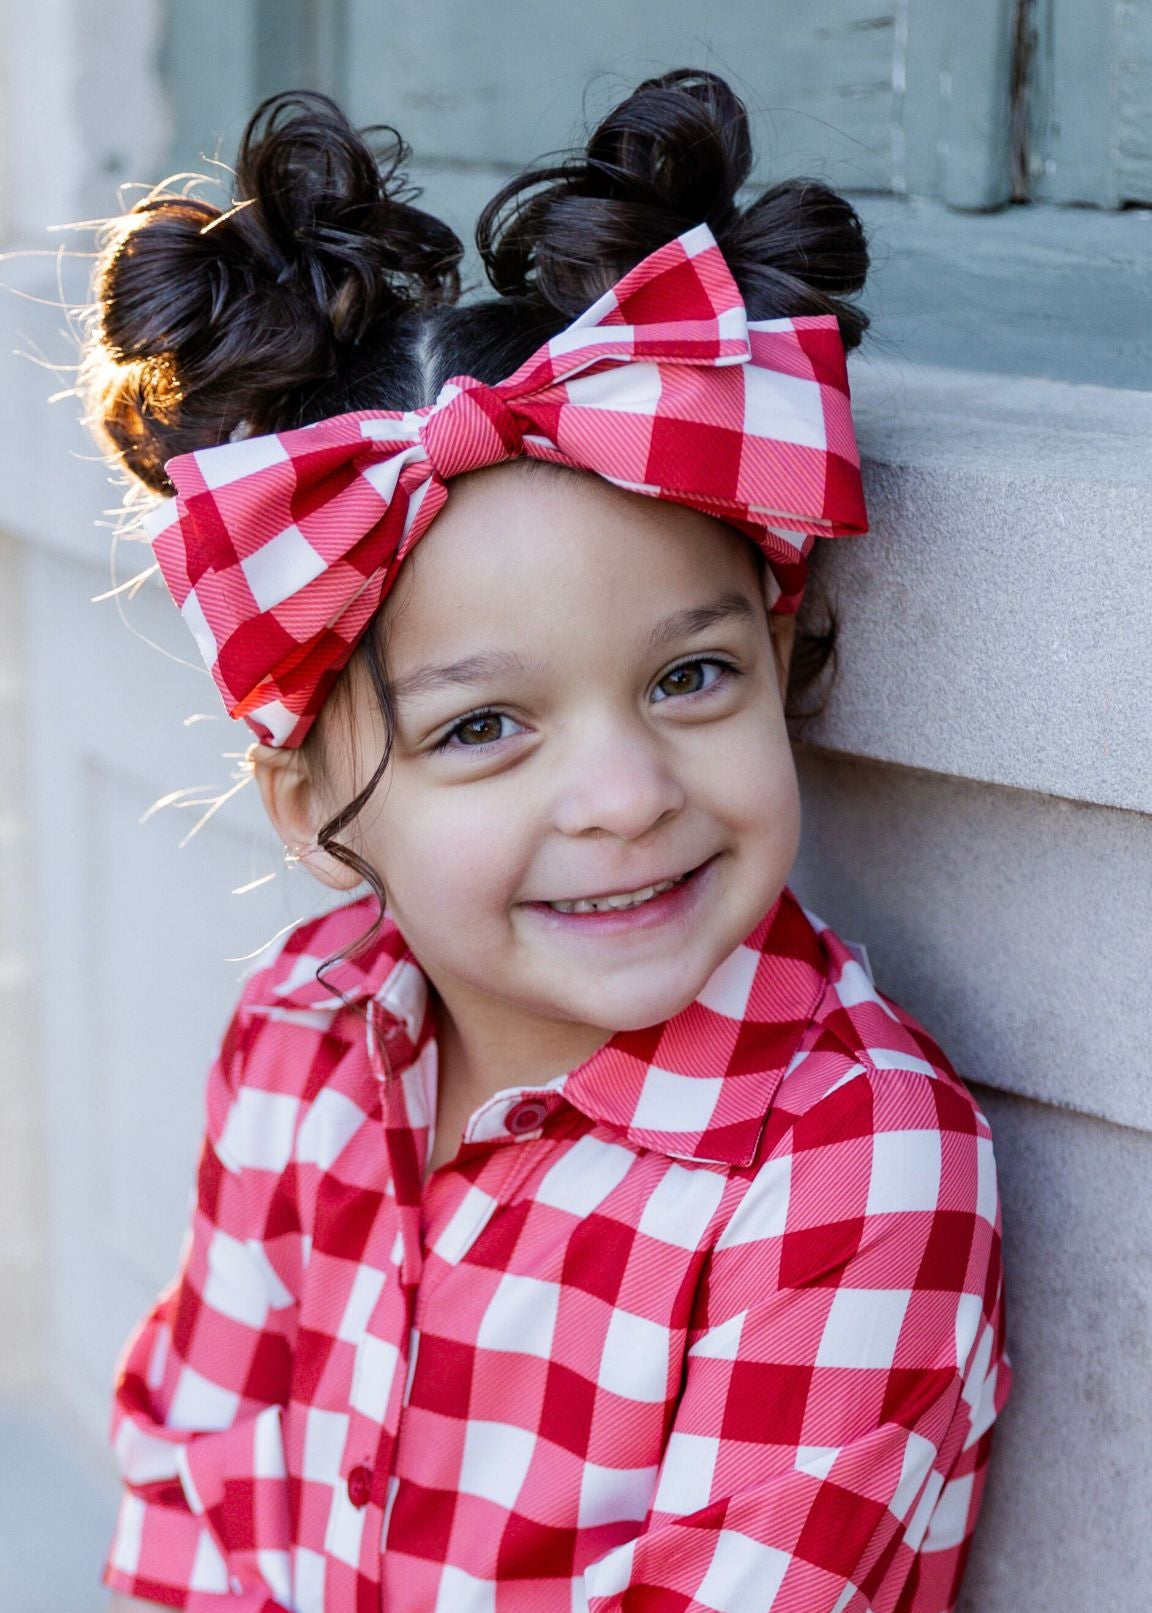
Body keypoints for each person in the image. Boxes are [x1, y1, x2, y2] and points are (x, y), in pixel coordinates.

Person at [81, 67, 1011, 1613]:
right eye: (482, 726)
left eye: (688, 676)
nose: (626, 791)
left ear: (782, 660)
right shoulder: (299, 1036)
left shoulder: (848, 1170)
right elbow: (199, 1481)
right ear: (308, 806)